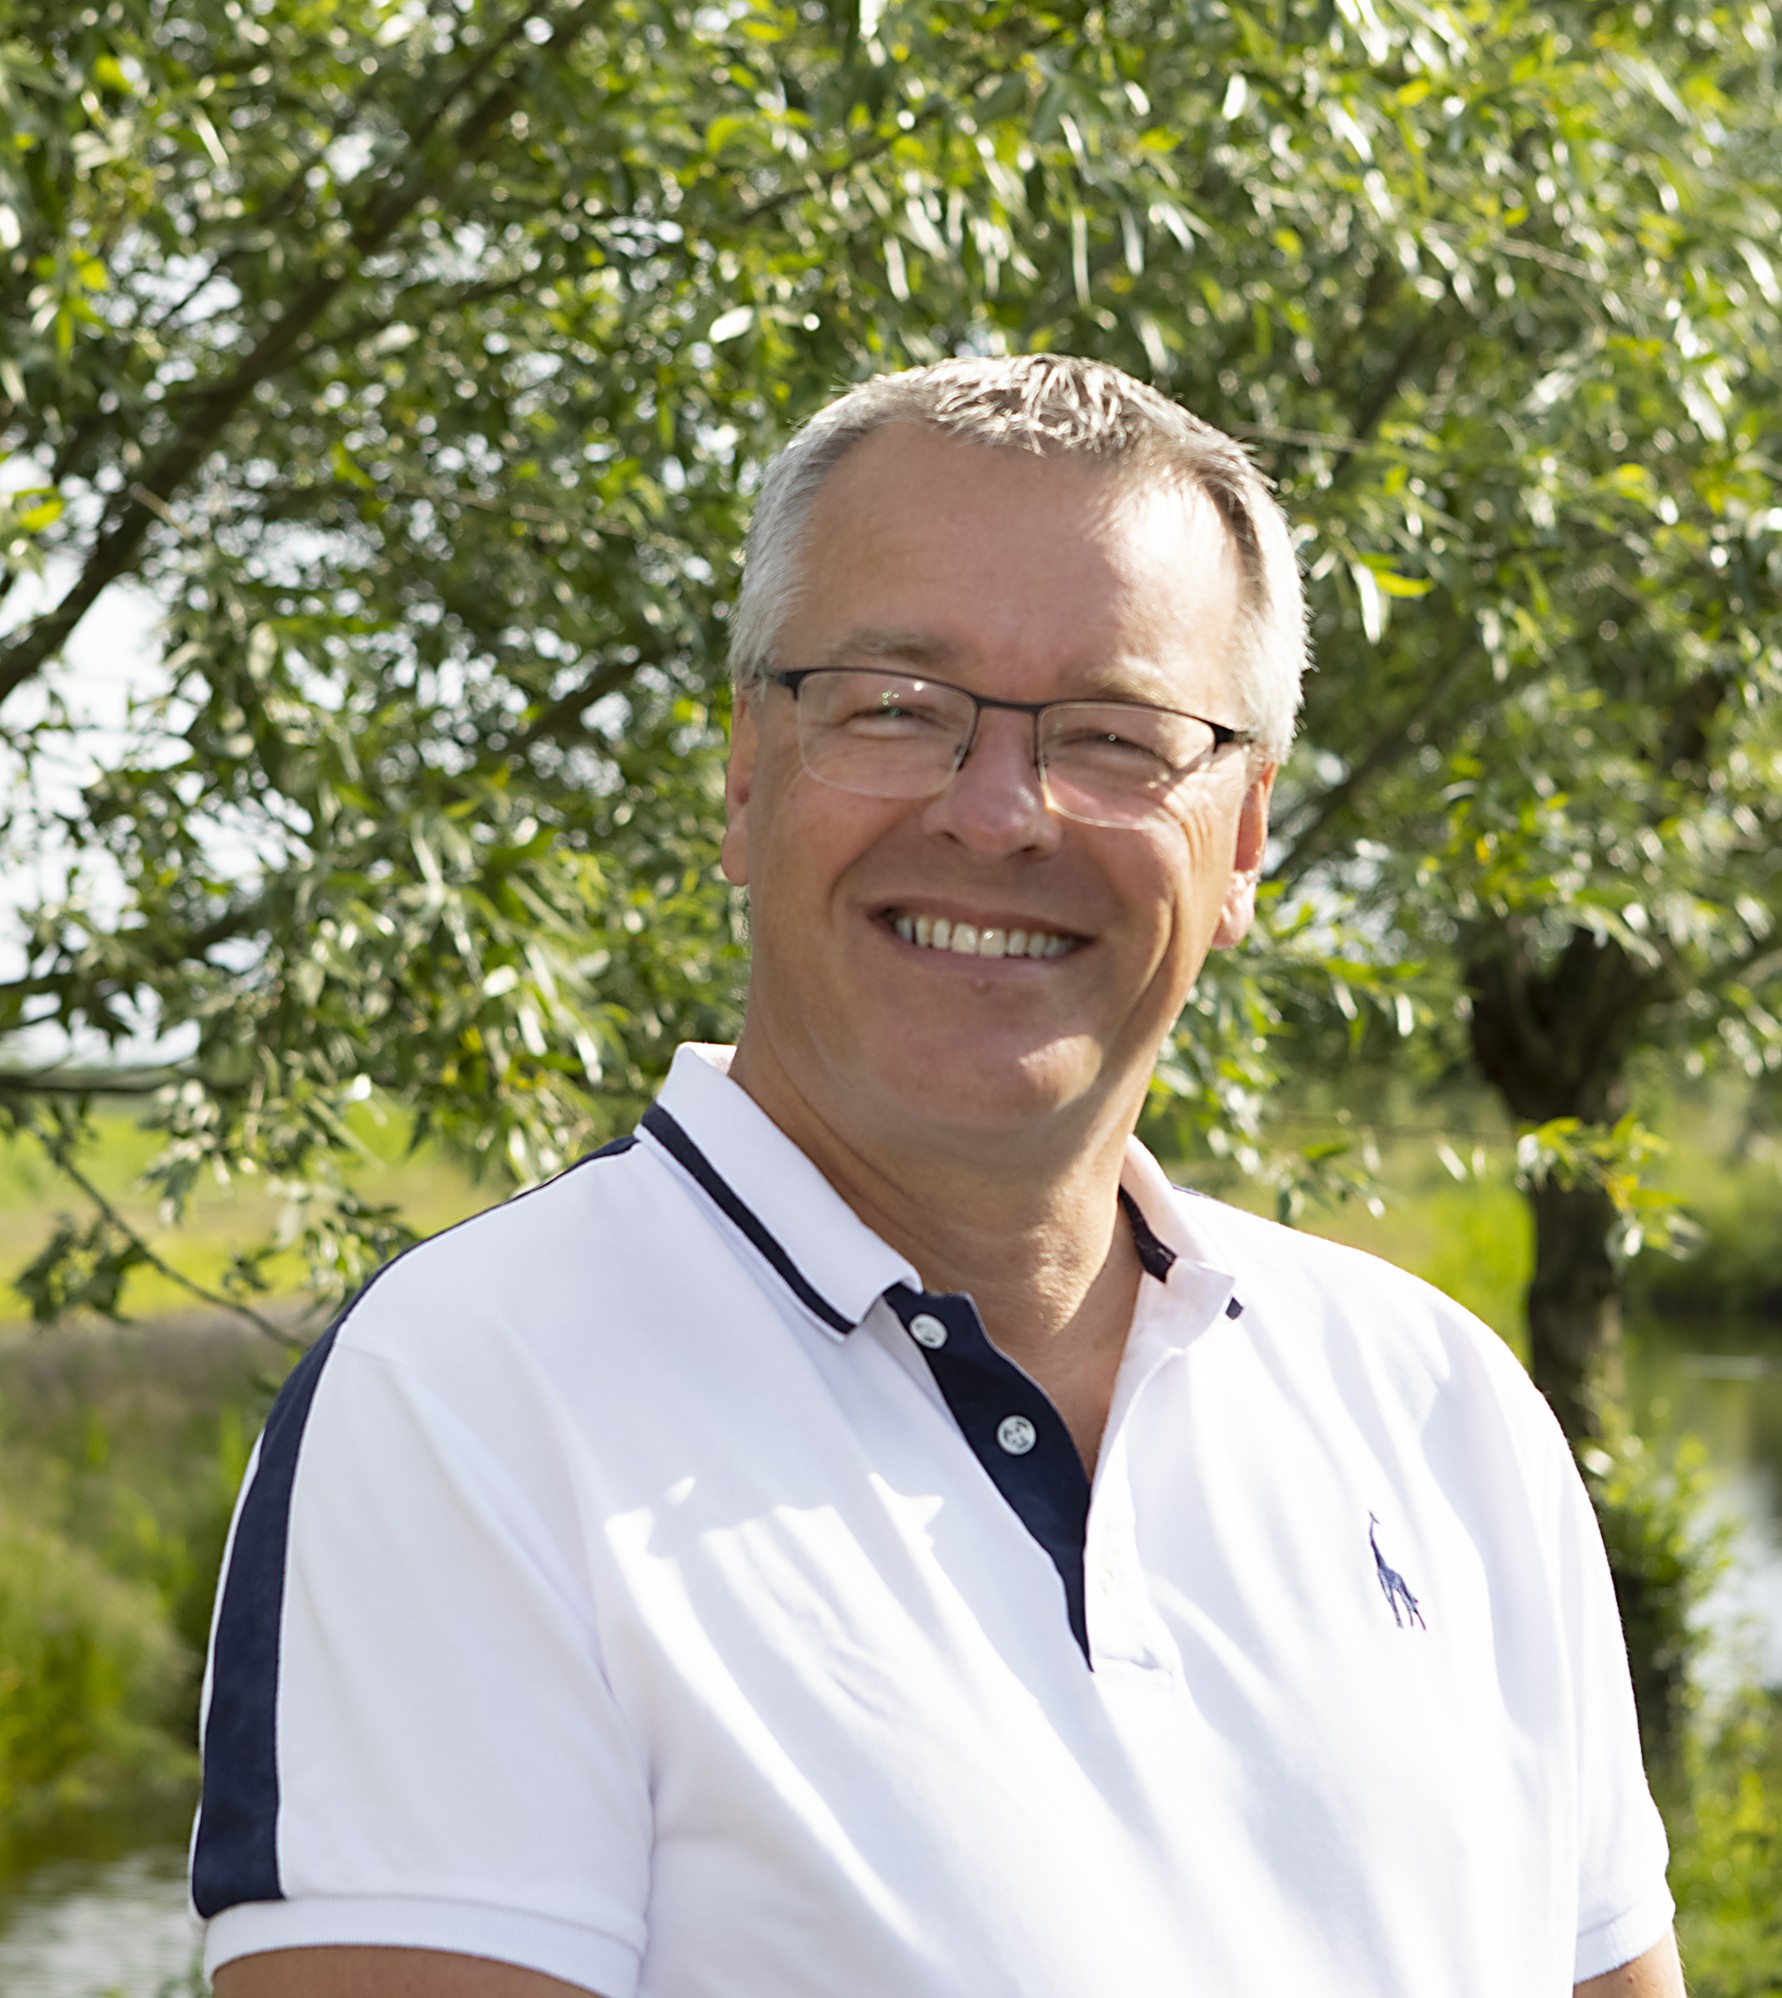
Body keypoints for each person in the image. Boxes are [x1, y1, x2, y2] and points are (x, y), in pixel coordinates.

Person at [194, 355, 1685, 1998]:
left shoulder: (1440, 1408)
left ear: (1245, 838)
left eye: (1115, 735)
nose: (998, 813)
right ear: (745, 777)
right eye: (895, 706)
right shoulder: (470, 1398)